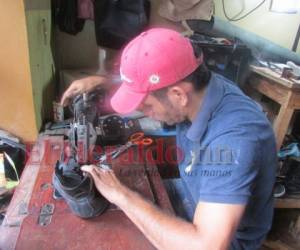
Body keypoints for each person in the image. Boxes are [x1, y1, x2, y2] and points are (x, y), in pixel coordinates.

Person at [61, 28, 277, 250]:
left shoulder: (234, 140)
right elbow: (157, 84)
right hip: (189, 193)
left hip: (223, 240)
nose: (142, 111)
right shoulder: (200, 85)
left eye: (146, 105)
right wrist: (103, 81)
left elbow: (206, 246)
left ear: (179, 95)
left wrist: (121, 196)